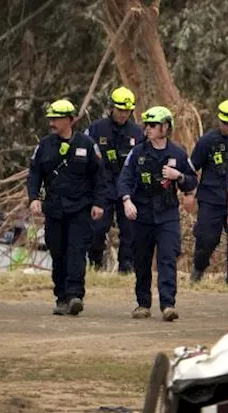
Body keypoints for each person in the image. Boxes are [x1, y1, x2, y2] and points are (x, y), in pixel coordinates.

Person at [26, 99, 110, 316]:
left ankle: (75, 295)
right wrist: (33, 198)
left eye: (56, 118)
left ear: (70, 120)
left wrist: (99, 203)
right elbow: (34, 174)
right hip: (54, 209)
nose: (52, 122)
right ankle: (61, 297)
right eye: (50, 118)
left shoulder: (87, 144)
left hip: (80, 209)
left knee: (76, 251)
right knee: (58, 252)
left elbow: (99, 177)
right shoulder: (44, 145)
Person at [116, 105, 197, 322]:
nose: (148, 129)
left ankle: (168, 304)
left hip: (167, 213)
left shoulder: (177, 153)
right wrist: (126, 201)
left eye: (153, 125)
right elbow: (123, 179)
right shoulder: (138, 152)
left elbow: (191, 181)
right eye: (146, 125)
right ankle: (143, 303)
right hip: (141, 214)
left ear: (165, 127)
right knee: (141, 260)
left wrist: (178, 176)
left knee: (167, 258)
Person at [189, 99, 228, 284]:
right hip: (211, 199)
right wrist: (189, 193)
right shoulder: (207, 141)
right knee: (206, 239)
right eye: (226, 123)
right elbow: (192, 168)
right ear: (219, 121)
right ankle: (198, 269)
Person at [85, 86, 144, 273]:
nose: (123, 114)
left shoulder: (137, 132)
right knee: (97, 229)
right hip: (102, 188)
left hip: (127, 188)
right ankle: (95, 264)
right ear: (111, 108)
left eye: (127, 111)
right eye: (120, 110)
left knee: (130, 231)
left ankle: (126, 268)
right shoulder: (96, 129)